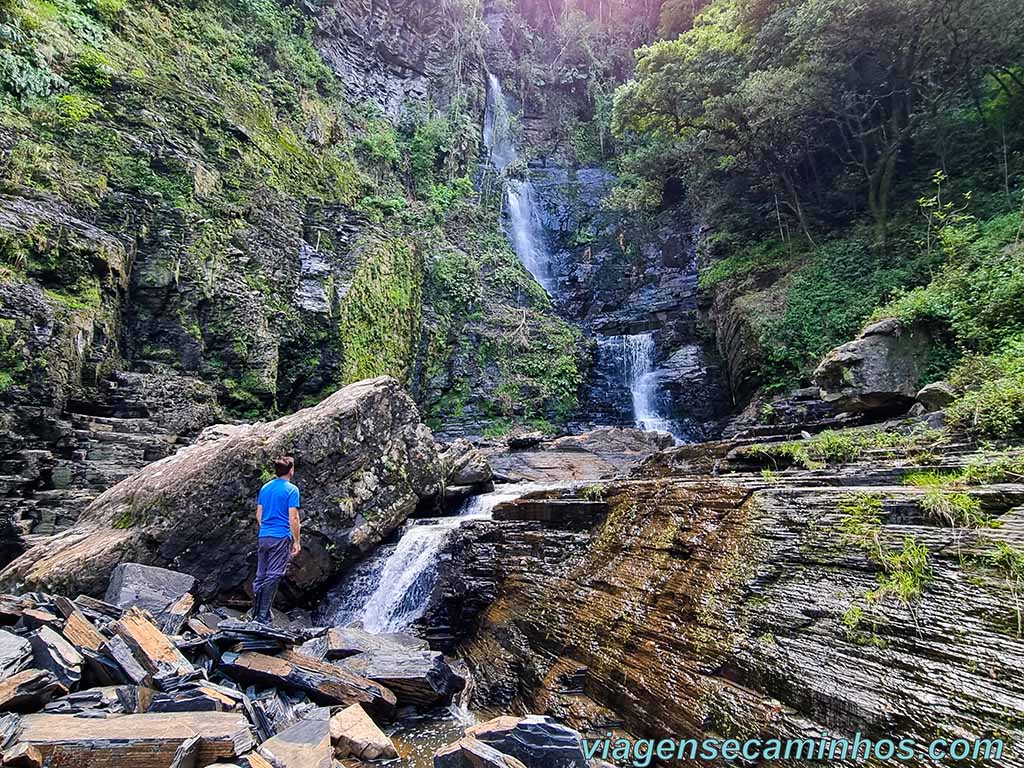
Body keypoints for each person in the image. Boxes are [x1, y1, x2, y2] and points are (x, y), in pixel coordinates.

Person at [251, 455, 301, 625]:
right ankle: (262, 617)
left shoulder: (265, 488)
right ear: (291, 470)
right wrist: (296, 541)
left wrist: (266, 528)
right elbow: (293, 518)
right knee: (273, 575)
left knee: (261, 575)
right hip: (280, 537)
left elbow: (259, 514)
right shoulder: (291, 490)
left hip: (264, 535)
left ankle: (256, 613)